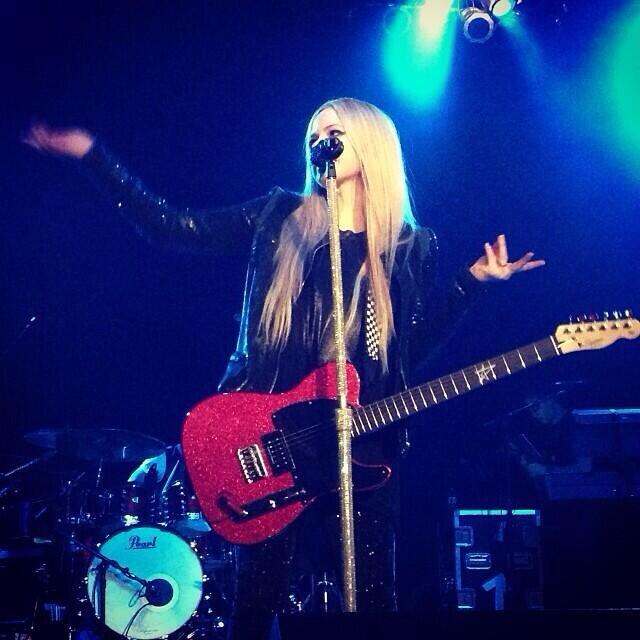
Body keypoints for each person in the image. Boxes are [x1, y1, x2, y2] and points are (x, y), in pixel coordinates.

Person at [24, 97, 544, 638]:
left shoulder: (411, 246)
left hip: (362, 447)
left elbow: (402, 354)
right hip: (270, 441)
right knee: (256, 606)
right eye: (314, 135)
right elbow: (174, 227)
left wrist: (469, 285)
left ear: (370, 145)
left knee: (371, 603)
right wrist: (92, 155)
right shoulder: (280, 217)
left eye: (334, 133)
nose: (321, 142)